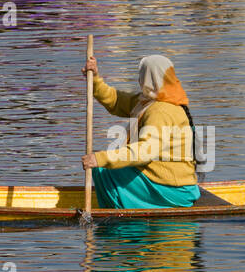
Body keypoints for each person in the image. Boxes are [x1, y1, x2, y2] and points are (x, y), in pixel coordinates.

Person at [80, 54, 201, 209]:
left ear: (148, 79)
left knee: (102, 169)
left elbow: (145, 151)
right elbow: (115, 100)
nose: (138, 80)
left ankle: (119, 213)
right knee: (107, 167)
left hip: (173, 189)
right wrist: (95, 78)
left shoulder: (161, 111)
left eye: (141, 75)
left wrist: (101, 158)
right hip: (164, 181)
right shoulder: (147, 102)